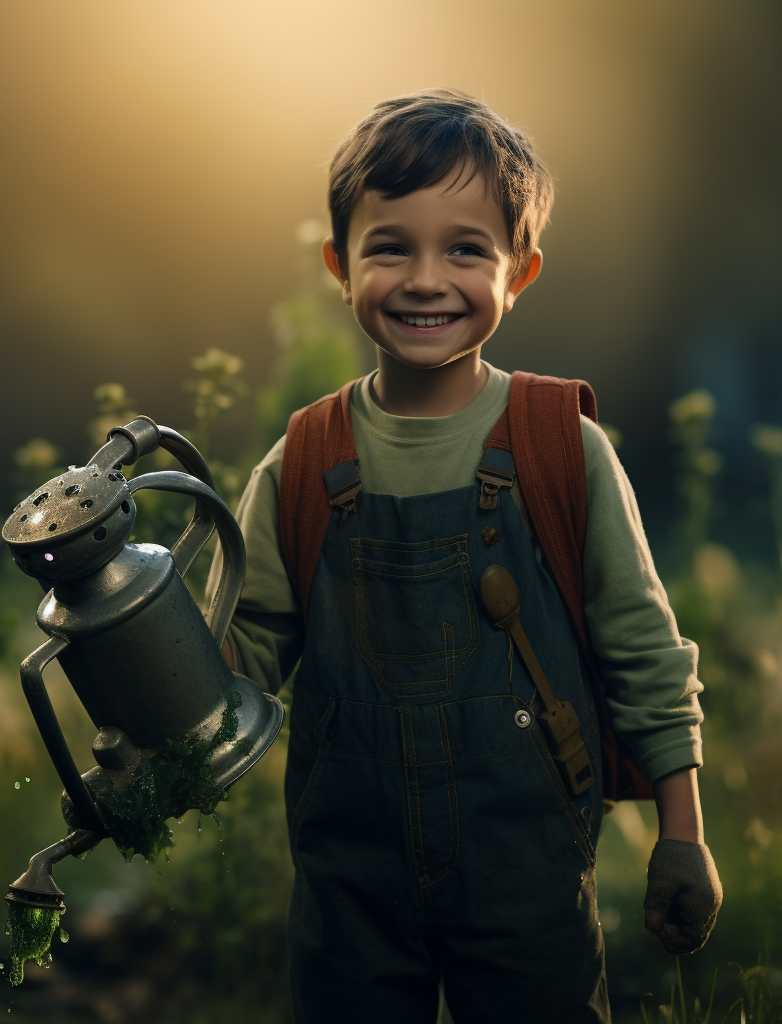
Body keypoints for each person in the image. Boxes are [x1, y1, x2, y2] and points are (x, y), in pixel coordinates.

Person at [220, 89, 722, 1024]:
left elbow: (643, 650)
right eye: (388, 246)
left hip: (525, 864)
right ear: (338, 265)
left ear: (519, 271)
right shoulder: (303, 459)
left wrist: (681, 834)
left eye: (465, 248)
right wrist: (148, 676)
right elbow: (237, 655)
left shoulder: (558, 444)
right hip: (347, 878)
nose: (423, 279)